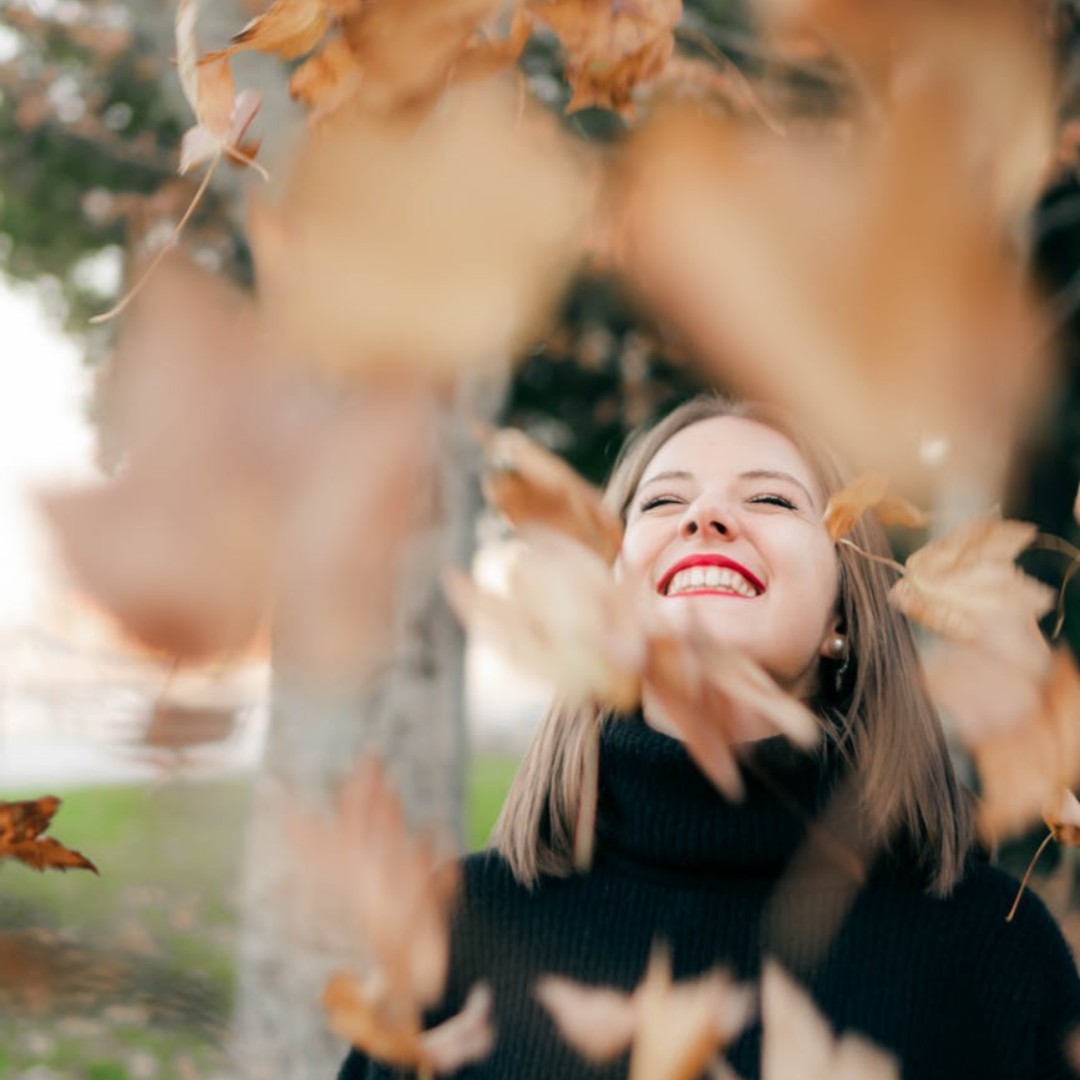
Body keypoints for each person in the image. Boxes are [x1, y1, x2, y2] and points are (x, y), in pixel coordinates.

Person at [339, 394, 1080, 1079]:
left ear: (841, 620)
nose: (707, 515)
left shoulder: (992, 950)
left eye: (770, 498)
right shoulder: (459, 924)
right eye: (663, 500)